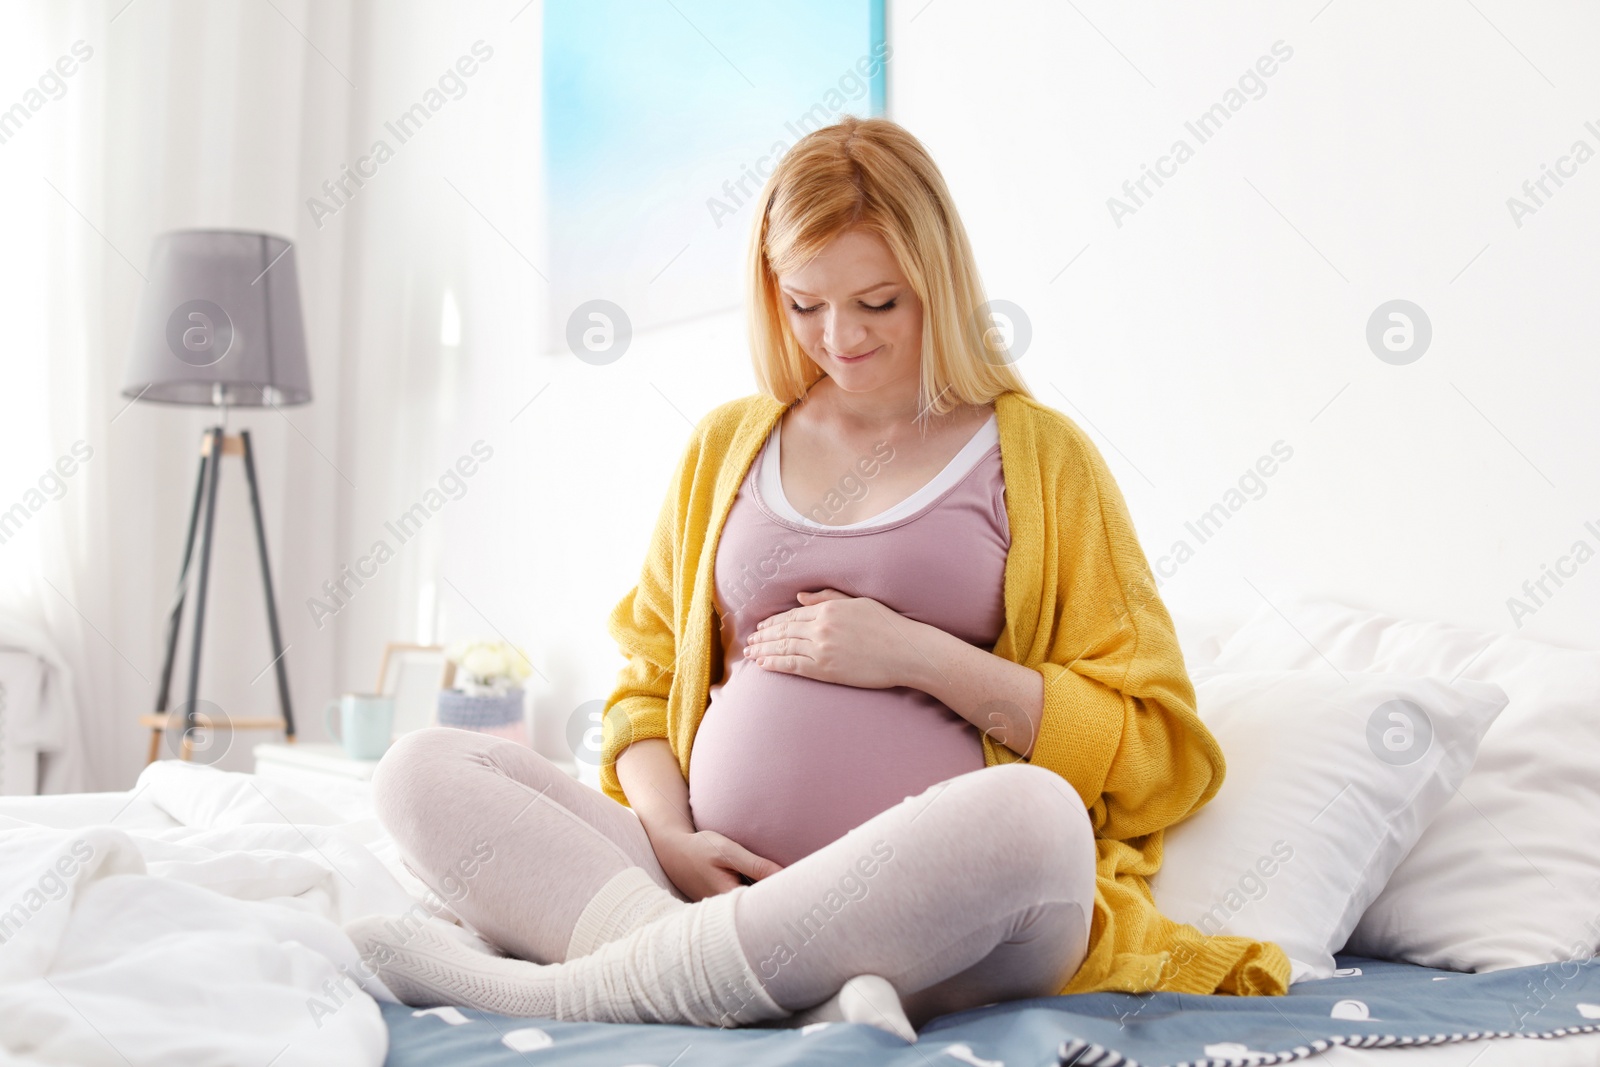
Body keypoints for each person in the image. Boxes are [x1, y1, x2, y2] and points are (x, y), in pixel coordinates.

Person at [346, 116, 1290, 1041]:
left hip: (946, 914)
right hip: (711, 878)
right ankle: (713, 964)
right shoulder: (728, 445)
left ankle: (592, 984)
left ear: (939, 283)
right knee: (420, 770)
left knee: (1038, 822)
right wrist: (670, 837)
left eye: (877, 302)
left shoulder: (1039, 459)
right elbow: (639, 692)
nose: (839, 338)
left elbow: (1160, 748)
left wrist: (917, 656)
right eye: (805, 304)